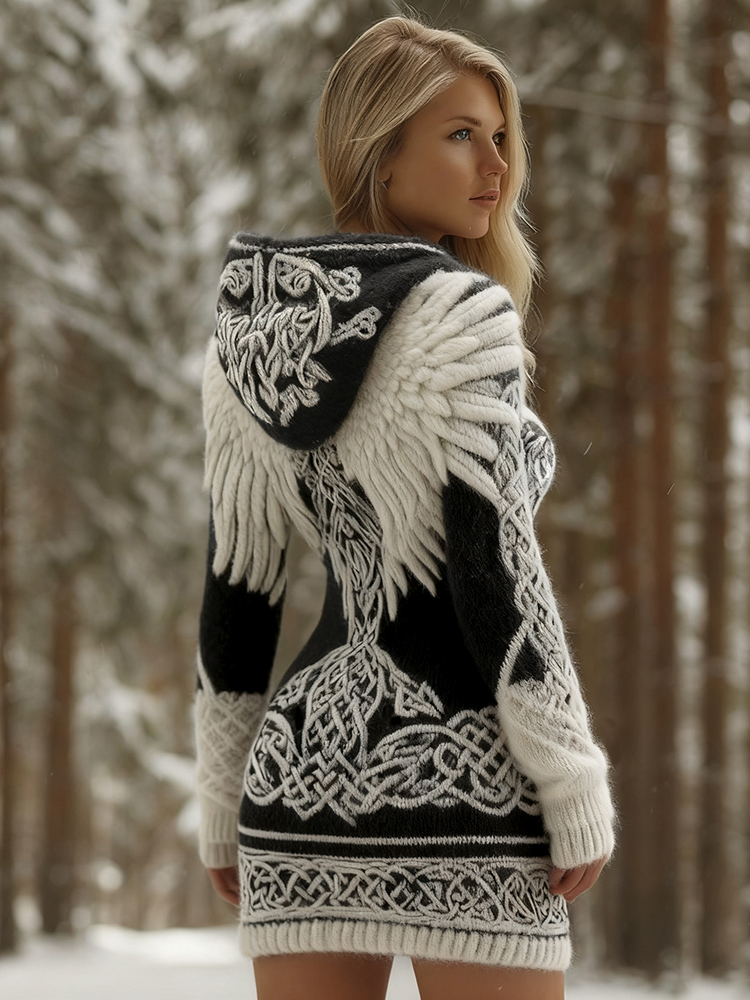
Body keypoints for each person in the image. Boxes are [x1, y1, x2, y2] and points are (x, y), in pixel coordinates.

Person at [193, 14, 618, 1000]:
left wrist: (222, 794)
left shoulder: (249, 332)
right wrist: (569, 770)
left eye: (501, 136)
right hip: (464, 782)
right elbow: (495, 565)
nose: (497, 167)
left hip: (299, 779)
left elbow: (238, 588)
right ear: (378, 150)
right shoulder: (463, 314)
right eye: (462, 134)